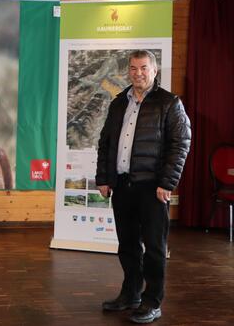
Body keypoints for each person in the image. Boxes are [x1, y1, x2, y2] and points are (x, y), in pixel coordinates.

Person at [96, 50, 191, 324]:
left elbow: (180, 145)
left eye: (144, 68)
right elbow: (105, 142)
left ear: (154, 70)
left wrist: (167, 183)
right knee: (127, 245)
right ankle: (131, 294)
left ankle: (152, 301)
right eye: (133, 68)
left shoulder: (169, 103)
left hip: (153, 189)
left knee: (154, 248)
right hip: (122, 186)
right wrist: (103, 177)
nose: (138, 73)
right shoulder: (118, 103)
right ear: (128, 71)